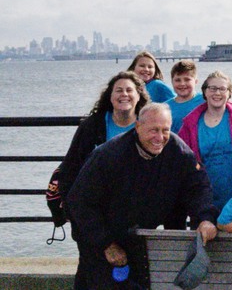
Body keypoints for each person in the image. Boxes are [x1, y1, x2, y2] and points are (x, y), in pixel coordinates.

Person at [66, 103, 218, 289]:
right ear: (138, 127)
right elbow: (79, 202)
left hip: (138, 234)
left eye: (165, 130)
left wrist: (205, 218)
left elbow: (198, 186)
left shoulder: (178, 151)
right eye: (153, 130)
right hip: (101, 234)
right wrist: (106, 244)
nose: (160, 137)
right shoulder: (109, 155)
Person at [57, 71, 149, 204]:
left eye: (129, 90)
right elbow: (71, 165)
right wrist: (70, 206)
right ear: (110, 96)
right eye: (118, 90)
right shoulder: (92, 125)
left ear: (139, 96)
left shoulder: (148, 125)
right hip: (96, 201)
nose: (124, 94)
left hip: (137, 202)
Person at [178, 71, 232, 211]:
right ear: (205, 92)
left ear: (229, 93)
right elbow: (182, 162)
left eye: (222, 89)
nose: (217, 93)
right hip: (203, 198)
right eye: (213, 88)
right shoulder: (190, 123)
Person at [166, 59, 204, 134]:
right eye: (177, 80)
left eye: (187, 79)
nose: (182, 83)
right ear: (172, 82)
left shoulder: (206, 100)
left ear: (196, 81)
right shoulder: (165, 108)